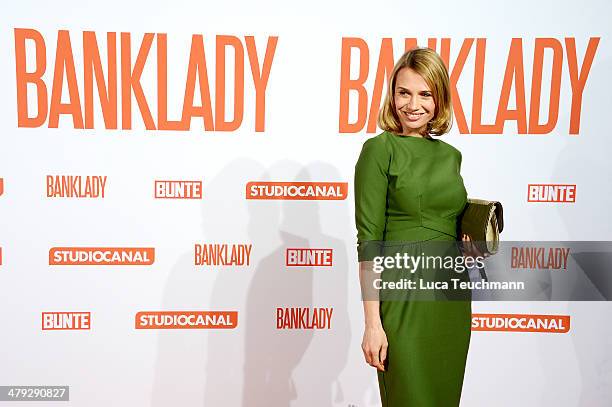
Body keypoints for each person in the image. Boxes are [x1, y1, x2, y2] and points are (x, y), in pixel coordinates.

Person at [354, 47, 479, 406]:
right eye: (403, 92)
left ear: (439, 99)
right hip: (404, 293)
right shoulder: (380, 149)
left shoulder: (450, 156)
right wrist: (373, 324)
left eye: (425, 94)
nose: (413, 104)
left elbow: (453, 224)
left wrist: (468, 244)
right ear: (392, 96)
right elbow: (369, 241)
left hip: (449, 295)